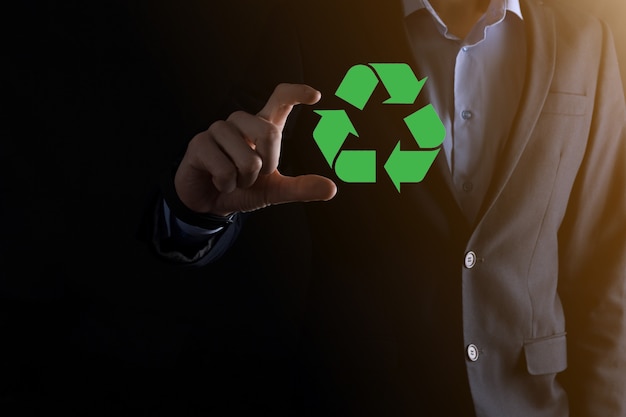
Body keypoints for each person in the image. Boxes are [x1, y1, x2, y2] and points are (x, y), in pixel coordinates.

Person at [140, 0, 626, 415]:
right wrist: (197, 214)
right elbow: (234, 175)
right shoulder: (316, 25)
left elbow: (607, 269)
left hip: (529, 402)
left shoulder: (587, 42)